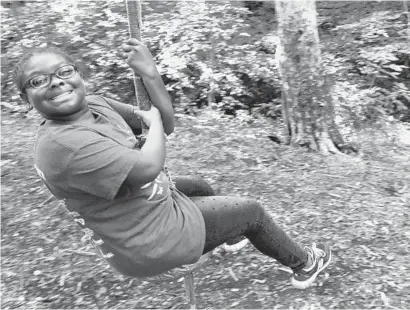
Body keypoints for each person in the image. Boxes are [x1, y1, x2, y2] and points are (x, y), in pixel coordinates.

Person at [13, 38, 331, 289]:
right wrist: (152, 128)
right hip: (148, 247)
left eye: (64, 71)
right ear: (27, 101)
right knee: (252, 211)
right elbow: (147, 168)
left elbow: (165, 124)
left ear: (79, 76)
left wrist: (150, 73)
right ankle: (305, 263)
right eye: (38, 81)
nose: (55, 82)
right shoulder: (62, 144)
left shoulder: (94, 105)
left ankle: (231, 235)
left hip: (143, 215)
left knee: (199, 187)